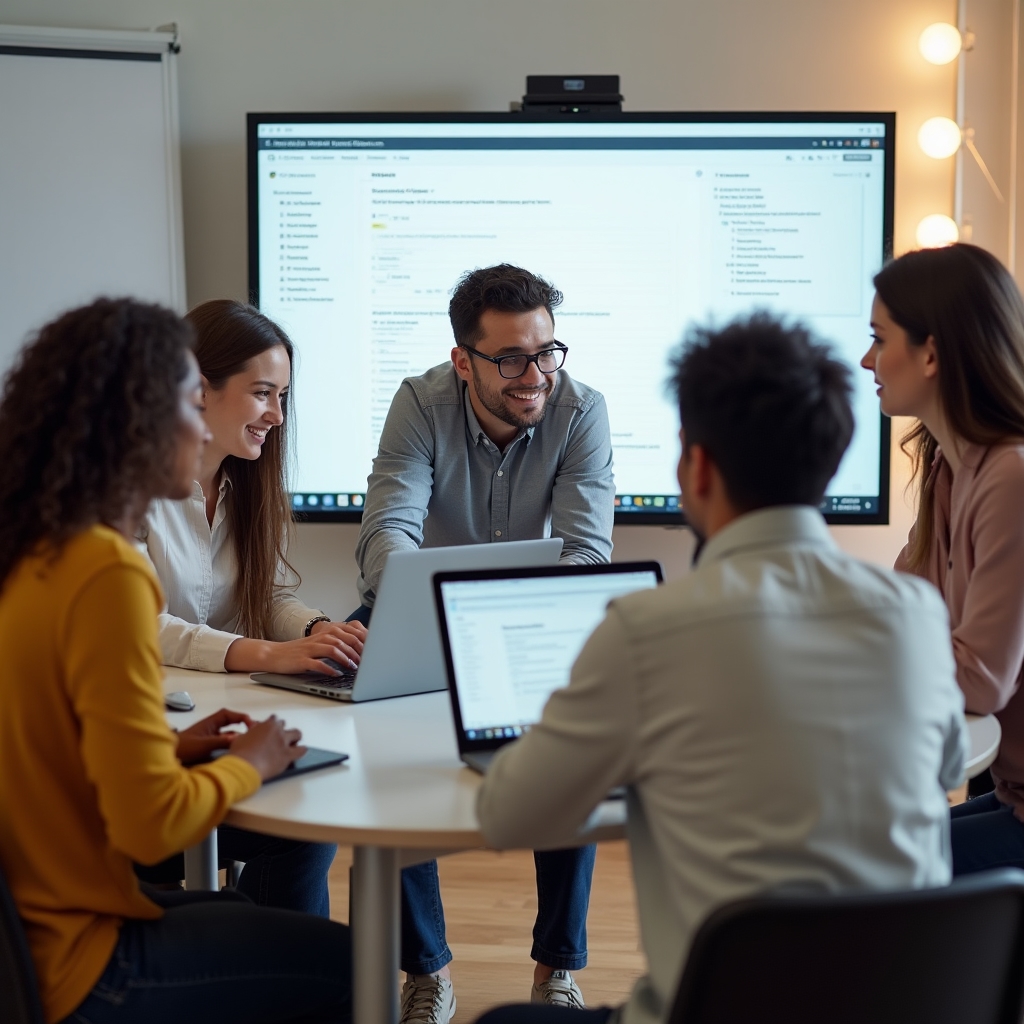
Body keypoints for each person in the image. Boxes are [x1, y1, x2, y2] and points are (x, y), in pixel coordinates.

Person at [474, 313, 967, 1024]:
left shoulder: (648, 631)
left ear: (697, 467)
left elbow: (508, 812)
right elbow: (946, 763)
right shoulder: (916, 612)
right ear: (830, 460)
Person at [0, 297, 352, 1024]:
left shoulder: (39, 547)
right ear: (139, 421)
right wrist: (247, 763)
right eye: (192, 404)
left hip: (30, 927)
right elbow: (150, 827)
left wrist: (169, 744)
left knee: (251, 908)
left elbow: (50, 743)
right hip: (80, 956)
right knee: (348, 963)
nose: (199, 428)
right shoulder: (107, 571)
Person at [354, 265, 615, 1022]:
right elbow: (388, 526)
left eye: (546, 352)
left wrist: (518, 624)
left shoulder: (581, 409)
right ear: (463, 359)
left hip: (531, 611)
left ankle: (557, 970)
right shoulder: (419, 401)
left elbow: (586, 553)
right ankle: (426, 970)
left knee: (578, 736)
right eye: (510, 360)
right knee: (382, 740)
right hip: (420, 605)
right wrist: (424, 604)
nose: (534, 375)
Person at [136, 299, 366, 915]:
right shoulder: (126, 490)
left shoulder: (249, 482)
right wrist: (268, 652)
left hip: (210, 718)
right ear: (198, 390)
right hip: (146, 732)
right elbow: (142, 629)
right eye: (263, 393)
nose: (277, 415)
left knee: (304, 826)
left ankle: (269, 966)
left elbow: (270, 595)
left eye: (283, 397)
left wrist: (320, 631)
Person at [861, 243, 1024, 875]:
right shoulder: (949, 466)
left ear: (931, 352)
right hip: (1010, 793)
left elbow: (980, 677)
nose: (866, 359)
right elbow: (901, 607)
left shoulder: (1010, 475)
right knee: (860, 854)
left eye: (880, 338)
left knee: (863, 872)